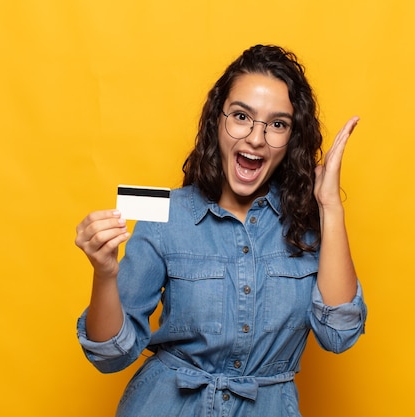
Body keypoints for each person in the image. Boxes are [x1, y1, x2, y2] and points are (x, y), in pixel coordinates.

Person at [75, 44, 367, 417]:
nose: (257, 138)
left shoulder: (309, 225)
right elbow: (109, 355)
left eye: (277, 124)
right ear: (217, 119)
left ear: (292, 139)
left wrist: (330, 205)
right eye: (242, 116)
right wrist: (104, 273)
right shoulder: (166, 216)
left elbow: (339, 334)